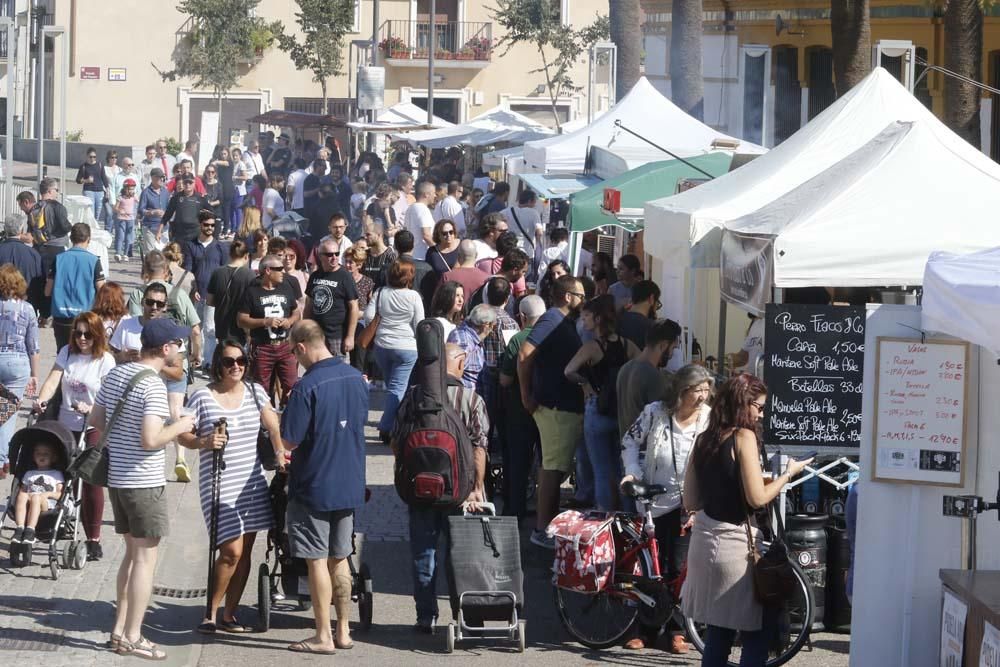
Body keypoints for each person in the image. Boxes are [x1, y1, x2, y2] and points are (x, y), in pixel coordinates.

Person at [681, 374, 814, 667]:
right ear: (743, 403)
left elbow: (690, 500)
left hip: (704, 546)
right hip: (735, 551)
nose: (761, 414)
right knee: (757, 633)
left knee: (718, 634)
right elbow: (757, 498)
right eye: (759, 407)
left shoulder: (704, 439)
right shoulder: (744, 437)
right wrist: (788, 475)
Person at [89, 318, 196, 661]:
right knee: (146, 560)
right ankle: (134, 635)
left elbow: (97, 419)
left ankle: (119, 630)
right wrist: (180, 424)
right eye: (177, 346)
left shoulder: (118, 372)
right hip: (143, 482)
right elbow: (150, 440)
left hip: (118, 479)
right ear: (165, 349)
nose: (180, 351)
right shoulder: (152, 385)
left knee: (131, 557)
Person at [181, 340, 283, 634]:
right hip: (219, 481)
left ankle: (230, 613)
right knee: (232, 550)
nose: (236, 366)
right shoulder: (202, 396)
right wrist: (203, 441)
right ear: (218, 365)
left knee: (246, 550)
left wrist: (278, 452)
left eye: (240, 361)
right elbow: (183, 435)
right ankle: (210, 613)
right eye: (229, 361)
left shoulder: (255, 391)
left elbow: (272, 424)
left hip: (251, 481)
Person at [281, 321, 369, 654]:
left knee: (316, 560)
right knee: (341, 556)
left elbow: (290, 440)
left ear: (302, 347)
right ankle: (344, 630)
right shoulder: (355, 378)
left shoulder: (307, 387)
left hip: (314, 482)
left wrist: (274, 423)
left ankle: (322, 635)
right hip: (349, 481)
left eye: (294, 351)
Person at [394, 342, 487, 634]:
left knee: (424, 551)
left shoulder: (412, 397)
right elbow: (479, 448)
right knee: (461, 553)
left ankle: (426, 616)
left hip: (420, 488)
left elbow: (397, 441)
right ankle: (464, 613)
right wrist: (477, 488)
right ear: (460, 363)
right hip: (459, 491)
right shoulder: (471, 398)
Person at [620, 365, 714, 653]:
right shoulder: (655, 412)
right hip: (654, 500)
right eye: (697, 390)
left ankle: (676, 629)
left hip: (689, 503)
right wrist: (633, 472)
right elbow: (629, 441)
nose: (703, 396)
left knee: (679, 568)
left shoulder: (709, 418)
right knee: (652, 568)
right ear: (681, 390)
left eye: (706, 389)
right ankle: (646, 629)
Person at [33, 311, 115, 561]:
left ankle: (93, 538)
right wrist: (42, 400)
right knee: (68, 479)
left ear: (97, 335)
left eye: (87, 334)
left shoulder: (105, 361)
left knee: (91, 482)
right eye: (78, 333)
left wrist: (92, 409)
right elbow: (53, 380)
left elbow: (109, 397)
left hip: (93, 426)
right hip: (66, 425)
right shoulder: (66, 353)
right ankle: (59, 521)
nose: (82, 338)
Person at [517, 275, 586, 548]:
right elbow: (525, 353)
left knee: (554, 468)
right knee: (552, 470)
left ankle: (545, 526)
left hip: (561, 406)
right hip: (555, 407)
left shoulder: (563, 322)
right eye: (580, 295)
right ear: (567, 297)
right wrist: (526, 394)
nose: (584, 300)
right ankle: (543, 530)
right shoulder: (552, 319)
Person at [563, 295, 639, 511]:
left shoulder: (592, 347)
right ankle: (628, 517)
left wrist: (585, 383)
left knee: (601, 470)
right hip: (622, 411)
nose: (583, 321)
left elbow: (569, 370)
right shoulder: (628, 345)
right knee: (623, 467)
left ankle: (605, 517)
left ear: (597, 319)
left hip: (597, 407)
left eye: (586, 316)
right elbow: (642, 367)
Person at [364, 259, 424, 442]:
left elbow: (368, 317)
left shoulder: (381, 292)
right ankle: (387, 427)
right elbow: (420, 323)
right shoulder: (414, 296)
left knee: (393, 388)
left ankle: (399, 425)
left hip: (382, 346)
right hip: (406, 348)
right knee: (397, 389)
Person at [499, 295, 545, 520]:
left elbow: (505, 380)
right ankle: (545, 512)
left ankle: (515, 509)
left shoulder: (518, 340)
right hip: (549, 410)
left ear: (522, 317)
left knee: (518, 461)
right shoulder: (554, 335)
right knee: (548, 464)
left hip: (520, 409)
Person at [237, 254, 302, 402]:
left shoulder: (286, 287)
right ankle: (266, 421)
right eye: (279, 269)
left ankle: (288, 417)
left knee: (291, 385)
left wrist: (290, 321)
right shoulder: (252, 292)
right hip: (263, 347)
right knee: (262, 389)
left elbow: (296, 311)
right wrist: (265, 322)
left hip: (285, 345)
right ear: (267, 271)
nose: (282, 272)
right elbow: (241, 320)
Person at [616, 318, 682, 436]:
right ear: (663, 346)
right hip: (643, 449)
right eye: (673, 348)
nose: (672, 354)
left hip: (627, 446)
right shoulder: (652, 375)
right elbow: (663, 419)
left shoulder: (625, 368)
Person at [46, 223, 106, 352]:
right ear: (88, 239)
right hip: (85, 316)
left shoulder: (58, 259)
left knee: (63, 353)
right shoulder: (94, 261)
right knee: (84, 354)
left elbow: (47, 291)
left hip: (61, 317)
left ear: (71, 238)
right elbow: (102, 290)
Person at [184, 211, 227, 370]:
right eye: (206, 225)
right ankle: (194, 358)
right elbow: (188, 269)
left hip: (213, 294)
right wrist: (193, 288)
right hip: (196, 293)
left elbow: (224, 270)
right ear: (200, 225)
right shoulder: (190, 245)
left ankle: (208, 361)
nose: (210, 228)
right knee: (194, 329)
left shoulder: (220, 247)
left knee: (210, 329)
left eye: (212, 225)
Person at [305, 239, 360, 360]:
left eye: (337, 253)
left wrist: (350, 336)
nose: (334, 257)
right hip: (316, 334)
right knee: (317, 369)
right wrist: (306, 329)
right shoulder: (315, 276)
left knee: (337, 371)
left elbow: (354, 307)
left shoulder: (345, 276)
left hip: (336, 336)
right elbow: (308, 304)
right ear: (320, 256)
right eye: (329, 254)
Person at [29, 178, 72, 323]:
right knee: (55, 281)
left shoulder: (34, 208)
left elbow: (31, 230)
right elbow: (65, 227)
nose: (57, 193)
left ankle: (41, 313)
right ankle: (52, 313)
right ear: (49, 191)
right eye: (56, 190)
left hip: (38, 248)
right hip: (56, 248)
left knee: (40, 280)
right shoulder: (57, 207)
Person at [10, 440, 64, 548]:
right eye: (38, 453)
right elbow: (23, 490)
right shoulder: (29, 473)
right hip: (29, 502)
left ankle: (30, 530)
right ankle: (20, 528)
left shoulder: (56, 474)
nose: (41, 456)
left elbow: (60, 494)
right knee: (22, 495)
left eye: (46, 454)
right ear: (33, 457)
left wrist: (47, 494)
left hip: (46, 504)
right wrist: (23, 495)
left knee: (35, 497)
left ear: (53, 457)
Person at [207, 239, 255, 346]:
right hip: (242, 327)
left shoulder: (217, 273)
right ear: (246, 256)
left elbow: (209, 301)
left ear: (230, 254)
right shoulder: (250, 275)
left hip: (222, 326)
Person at [447, 303, 497, 392]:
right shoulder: (463, 340)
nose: (492, 330)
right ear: (486, 325)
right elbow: (452, 371)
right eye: (492, 325)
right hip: (465, 400)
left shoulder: (474, 339)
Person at [0, 213, 43, 314]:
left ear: (5, 229)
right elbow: (40, 283)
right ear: (22, 230)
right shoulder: (33, 254)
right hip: (26, 307)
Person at [161, 175, 211, 244]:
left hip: (196, 234)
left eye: (190, 183)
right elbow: (167, 216)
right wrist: (159, 231)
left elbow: (211, 213)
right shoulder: (176, 198)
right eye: (185, 183)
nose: (188, 185)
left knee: (196, 254)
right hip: (180, 235)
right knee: (180, 254)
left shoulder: (200, 198)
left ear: (194, 183)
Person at [441, 240, 490, 305]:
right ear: (476, 255)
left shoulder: (447, 277)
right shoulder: (487, 279)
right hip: (479, 314)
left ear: (458, 256)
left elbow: (438, 302)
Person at [618, 280, 661, 349]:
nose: (656, 307)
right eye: (657, 302)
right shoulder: (650, 326)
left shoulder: (618, 319)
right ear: (651, 298)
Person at [138, 168, 170, 255]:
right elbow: (141, 210)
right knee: (150, 255)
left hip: (164, 227)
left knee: (164, 255)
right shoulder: (146, 192)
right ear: (153, 178)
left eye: (163, 177)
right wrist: (152, 212)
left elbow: (169, 208)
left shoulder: (166, 192)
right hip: (150, 227)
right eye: (159, 177)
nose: (162, 179)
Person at [502, 189, 544, 255]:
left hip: (509, 249)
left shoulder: (506, 211)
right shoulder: (534, 213)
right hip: (527, 251)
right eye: (534, 202)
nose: (535, 205)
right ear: (529, 201)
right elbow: (540, 232)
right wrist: (537, 244)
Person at [403, 181, 436, 260]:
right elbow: (426, 235)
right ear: (426, 194)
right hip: (421, 256)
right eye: (433, 193)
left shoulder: (410, 208)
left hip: (410, 254)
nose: (435, 195)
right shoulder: (423, 210)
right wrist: (438, 251)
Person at [361, 220, 397, 288]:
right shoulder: (364, 255)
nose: (365, 237)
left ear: (379, 235)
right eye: (365, 235)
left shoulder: (390, 256)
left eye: (368, 234)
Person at [76, 147, 108, 220]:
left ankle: (95, 227)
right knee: (91, 212)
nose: (92, 158)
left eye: (94, 157)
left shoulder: (100, 165)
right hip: (88, 191)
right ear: (87, 156)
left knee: (97, 213)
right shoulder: (83, 166)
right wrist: (86, 180)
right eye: (90, 157)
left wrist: (107, 189)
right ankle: (91, 228)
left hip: (99, 191)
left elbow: (104, 178)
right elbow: (78, 180)